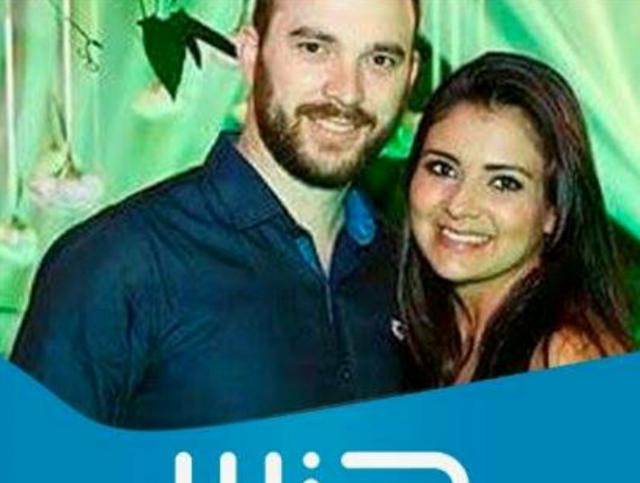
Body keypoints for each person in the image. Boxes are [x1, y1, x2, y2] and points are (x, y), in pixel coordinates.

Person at [12, 0, 420, 428]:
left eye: (380, 59)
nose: (348, 92)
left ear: (409, 76)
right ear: (251, 55)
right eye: (314, 48)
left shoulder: (410, 277)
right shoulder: (116, 264)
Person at [400, 52, 632, 387]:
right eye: (443, 168)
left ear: (553, 211)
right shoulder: (427, 335)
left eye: (504, 183)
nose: (460, 205)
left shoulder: (567, 357)